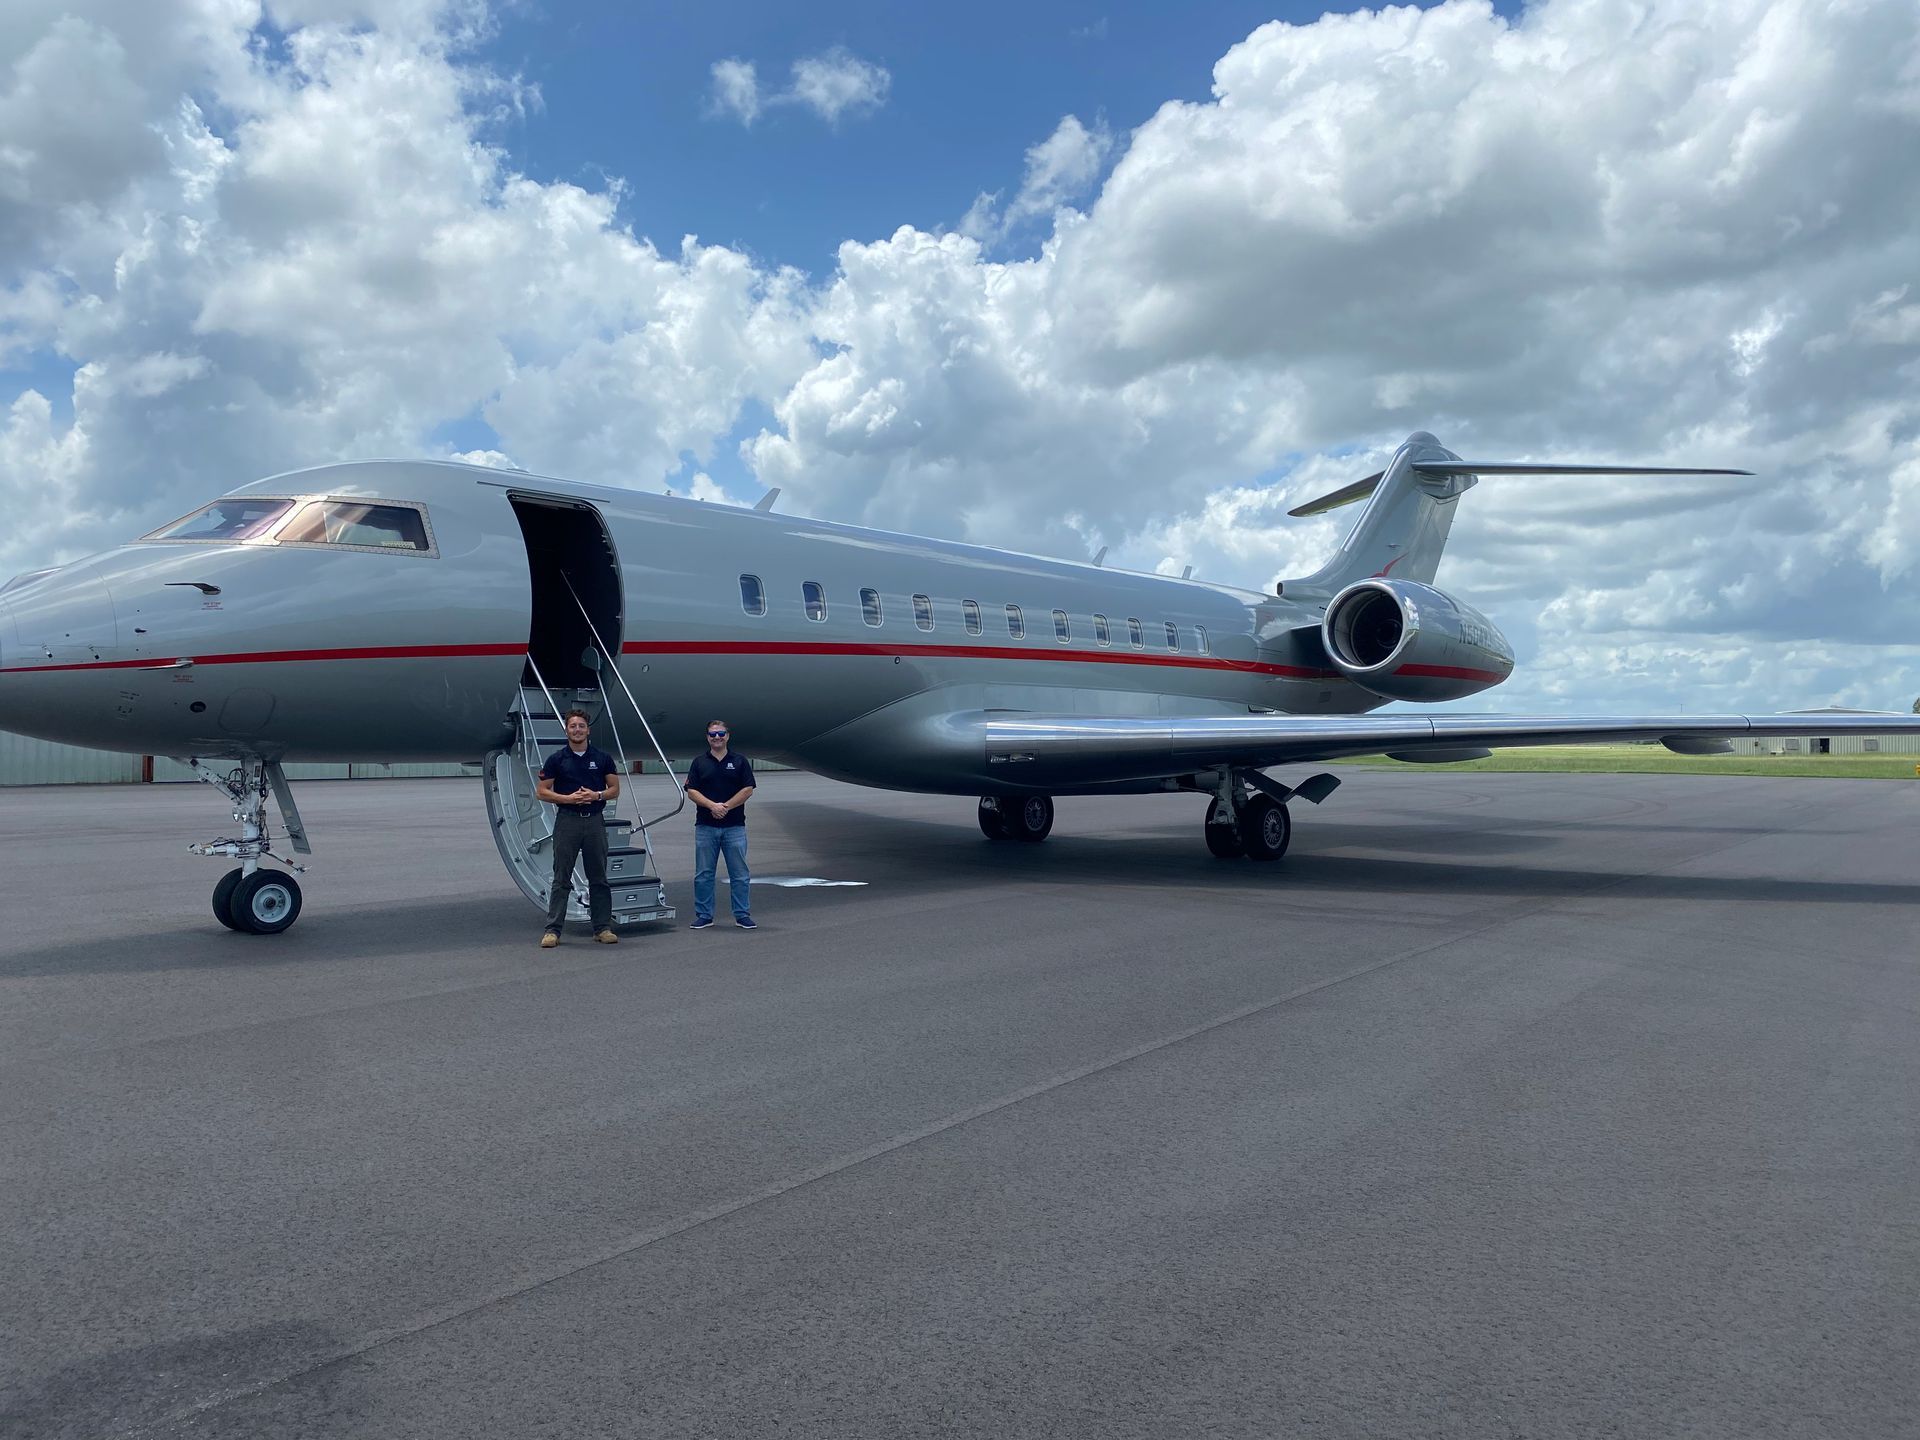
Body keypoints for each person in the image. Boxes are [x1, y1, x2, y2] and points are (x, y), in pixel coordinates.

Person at [535, 708, 621, 948]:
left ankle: (602, 927)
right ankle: (553, 930)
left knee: (598, 877)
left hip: (594, 821)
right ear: (566, 730)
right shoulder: (557, 759)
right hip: (568, 821)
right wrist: (568, 799)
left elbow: (615, 789)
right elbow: (541, 791)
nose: (577, 730)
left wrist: (596, 795)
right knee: (562, 876)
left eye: (581, 726)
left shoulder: (602, 758)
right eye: (573, 726)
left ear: (588, 730)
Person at [685, 719, 755, 930]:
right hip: (705, 827)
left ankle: (742, 915)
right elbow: (691, 791)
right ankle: (704, 915)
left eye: (721, 734)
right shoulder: (699, 762)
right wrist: (712, 806)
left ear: (728, 736)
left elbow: (748, 789)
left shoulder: (740, 761)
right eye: (713, 734)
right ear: (707, 737)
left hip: (735, 826)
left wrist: (726, 807)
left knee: (740, 874)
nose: (717, 737)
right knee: (703, 875)